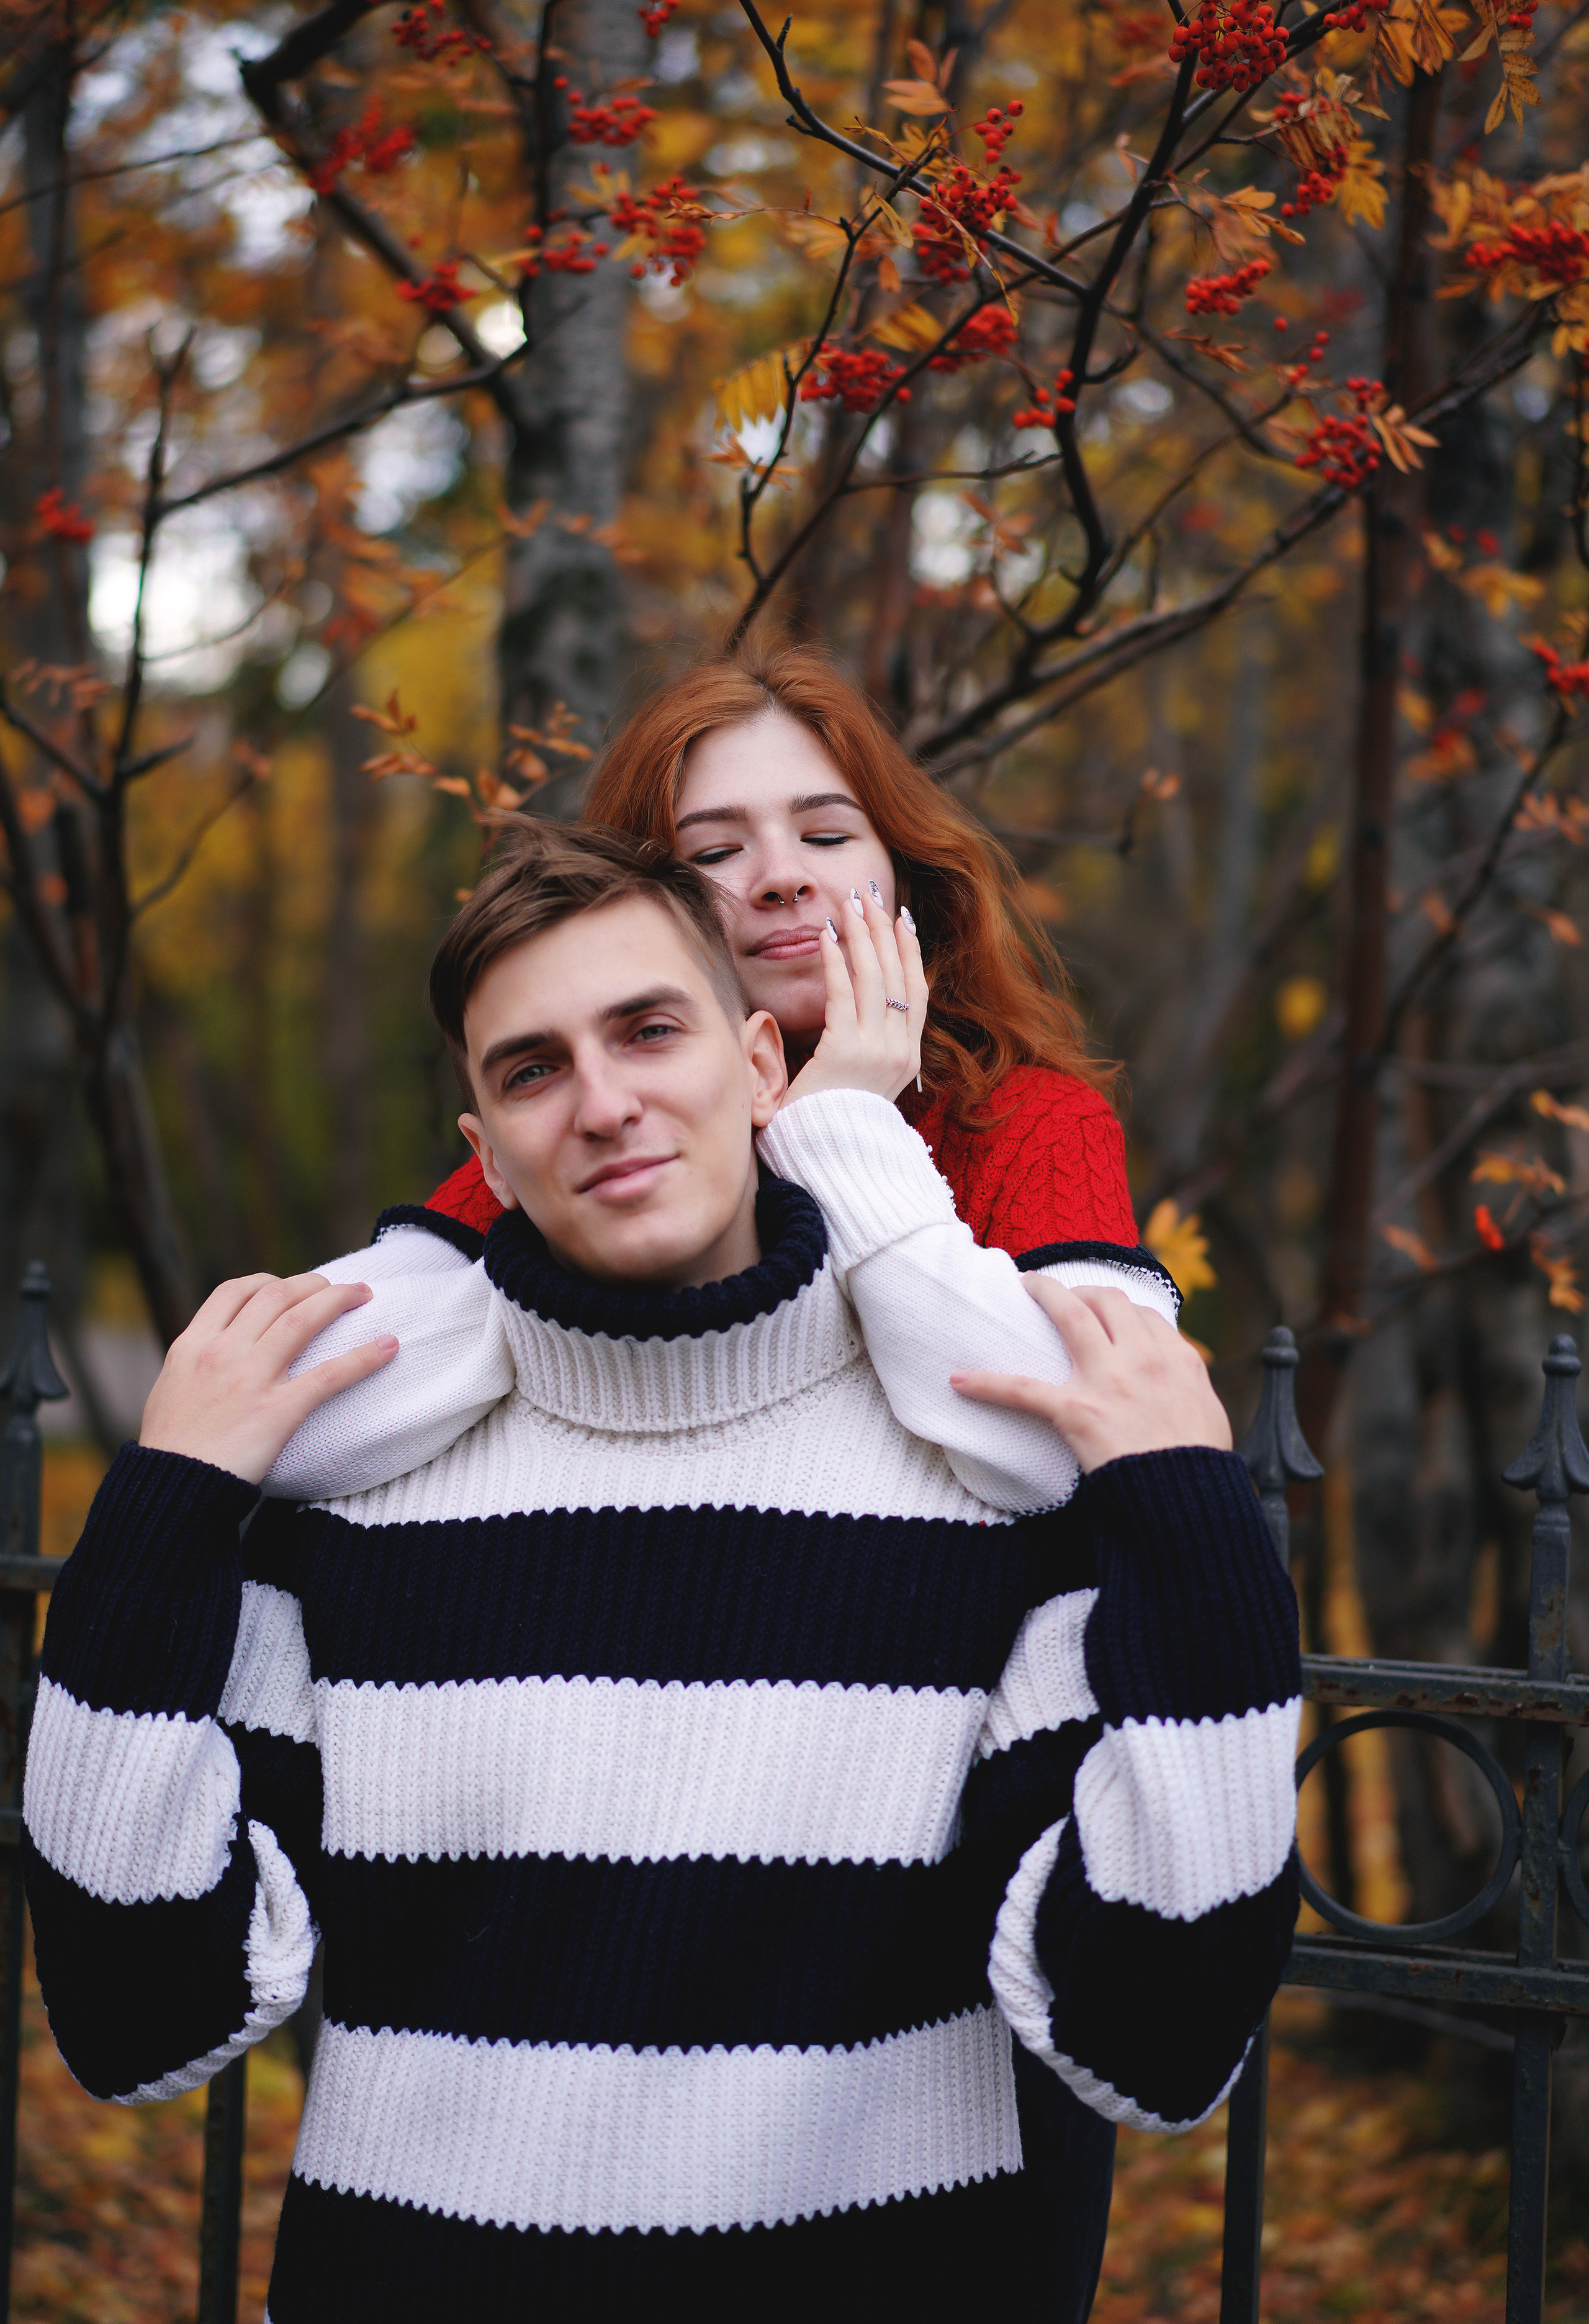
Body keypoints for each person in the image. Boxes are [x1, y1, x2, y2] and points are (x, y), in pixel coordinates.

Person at [24, 823, 1301, 2320]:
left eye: (647, 1030)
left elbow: (1160, 2039)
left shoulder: (986, 1492)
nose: (604, 1102)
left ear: (762, 1068)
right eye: (533, 1068)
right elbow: (132, 2013)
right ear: (484, 1152)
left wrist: (1191, 1510)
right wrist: (168, 1496)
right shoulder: (351, 1504)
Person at [424, 639, 1137, 1266]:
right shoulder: (592, 1115)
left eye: (826, 836)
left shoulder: (1034, 1125)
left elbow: (1092, 1366)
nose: (782, 877)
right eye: (715, 851)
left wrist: (836, 1125)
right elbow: (395, 1295)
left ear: (903, 869)